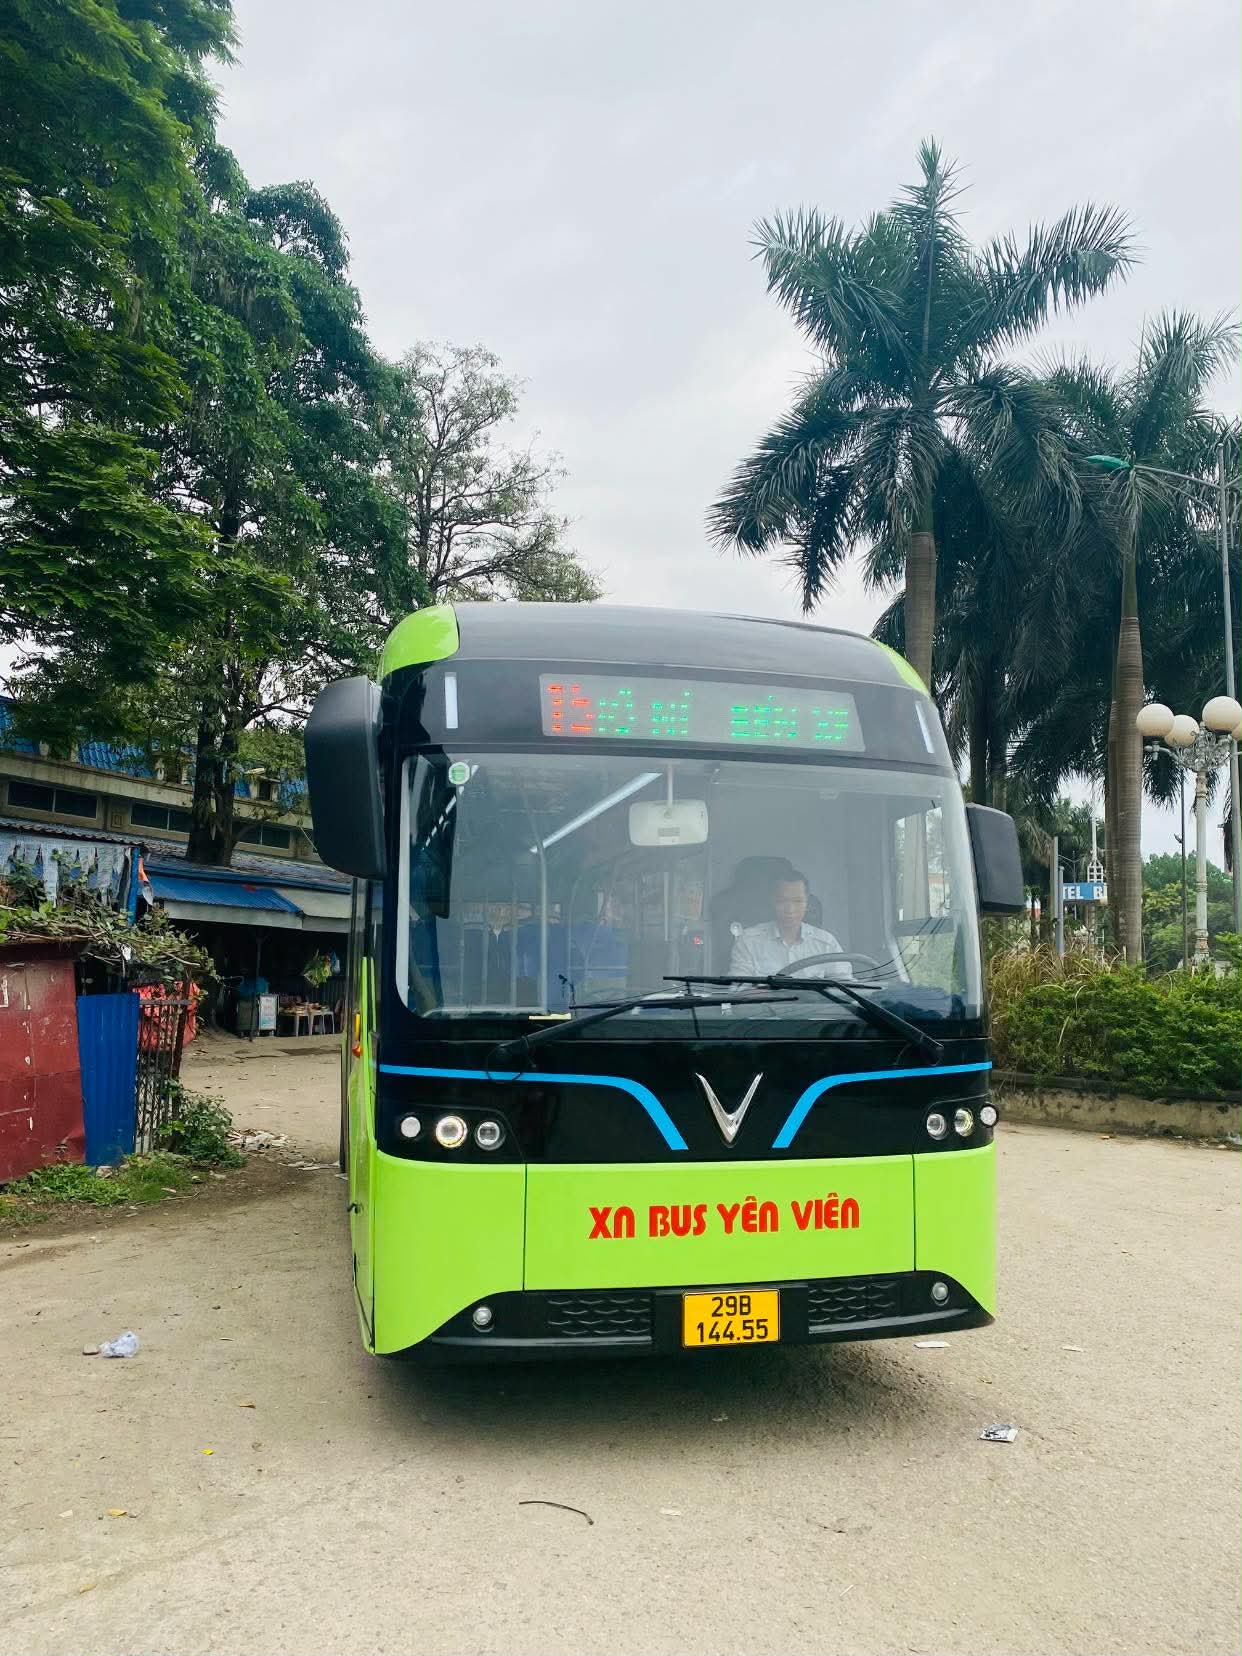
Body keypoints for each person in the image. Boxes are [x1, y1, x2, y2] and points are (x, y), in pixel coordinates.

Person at [729, 868, 844, 977]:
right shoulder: (748, 942)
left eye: (797, 901)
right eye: (783, 901)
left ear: (807, 903)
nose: (790, 909)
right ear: (772, 901)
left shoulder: (826, 943)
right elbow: (740, 986)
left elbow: (844, 986)